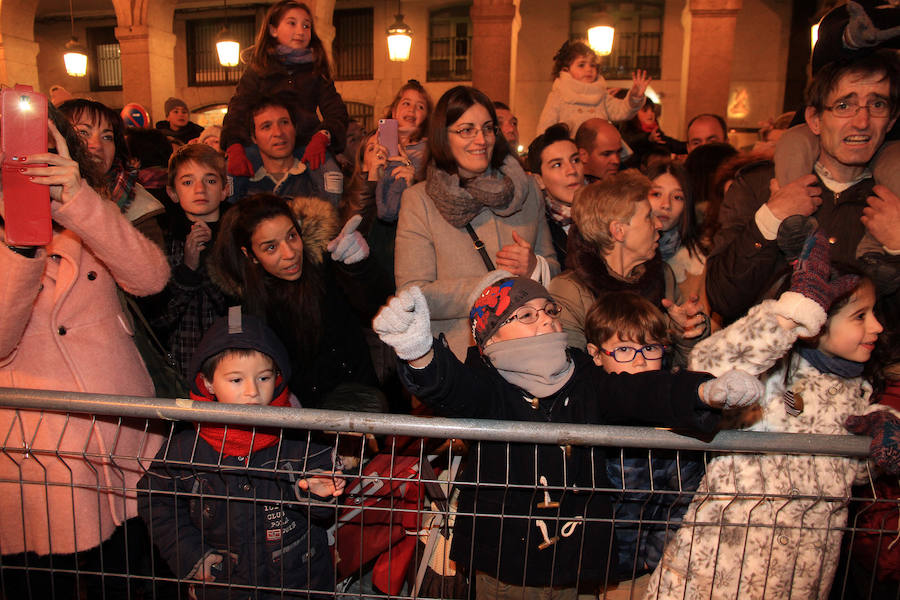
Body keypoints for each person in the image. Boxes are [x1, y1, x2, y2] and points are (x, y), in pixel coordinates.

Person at [372, 275, 763, 598]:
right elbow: (452, 389)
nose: (543, 319)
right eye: (524, 314)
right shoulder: (486, 382)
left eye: (547, 310)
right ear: (489, 336)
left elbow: (639, 391)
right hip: (507, 564)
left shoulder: (584, 376)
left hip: (579, 563)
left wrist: (701, 391)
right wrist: (419, 352)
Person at [647, 231, 885, 600]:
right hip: (720, 571)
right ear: (820, 322)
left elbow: (847, 476)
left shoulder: (856, 390)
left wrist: (877, 444)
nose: (877, 327)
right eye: (860, 316)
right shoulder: (772, 369)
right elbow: (709, 365)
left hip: (798, 578)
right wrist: (791, 315)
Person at [0, 107, 169, 598]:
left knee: (141, 578)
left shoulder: (85, 209)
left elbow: (150, 278)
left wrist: (77, 202)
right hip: (44, 456)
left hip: (125, 436)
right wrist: (23, 242)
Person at [139, 310, 344, 599]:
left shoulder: (301, 438)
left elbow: (326, 512)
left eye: (263, 377)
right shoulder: (186, 449)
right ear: (208, 384)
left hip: (298, 585)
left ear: (278, 378)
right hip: (224, 587)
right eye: (236, 380)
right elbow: (156, 500)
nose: (252, 392)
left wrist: (320, 492)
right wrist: (191, 555)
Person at [706, 50, 900, 324]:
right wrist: (771, 218)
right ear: (815, 119)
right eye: (844, 106)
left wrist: (897, 250)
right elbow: (723, 298)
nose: (862, 122)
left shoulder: (893, 203)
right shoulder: (757, 185)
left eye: (877, 105)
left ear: (891, 120)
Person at [394, 85, 560, 360]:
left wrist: (535, 267)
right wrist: (490, 288)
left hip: (534, 351)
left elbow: (554, 268)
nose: (481, 139)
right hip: (464, 359)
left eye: (487, 128)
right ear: (443, 137)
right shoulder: (419, 201)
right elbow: (413, 296)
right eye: (466, 130)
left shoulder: (527, 188)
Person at [210, 193, 391, 408]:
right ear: (249, 255)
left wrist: (359, 266)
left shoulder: (325, 262)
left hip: (359, 395)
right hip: (295, 415)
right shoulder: (239, 304)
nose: (289, 253)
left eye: (292, 236)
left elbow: (377, 306)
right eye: (271, 247)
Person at [583, 292, 704, 597]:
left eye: (649, 348)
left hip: (643, 572)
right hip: (584, 564)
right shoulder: (586, 407)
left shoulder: (673, 418)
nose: (639, 360)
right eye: (624, 349)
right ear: (596, 354)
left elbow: (680, 503)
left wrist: (655, 562)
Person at [548, 170, 708, 364]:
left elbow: (684, 366)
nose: (658, 224)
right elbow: (574, 370)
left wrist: (685, 334)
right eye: (649, 216)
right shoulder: (571, 290)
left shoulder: (663, 276)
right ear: (619, 231)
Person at [221, 0, 349, 172]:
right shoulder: (258, 69)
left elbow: (336, 111)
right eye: (292, 23)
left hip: (306, 142)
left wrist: (323, 136)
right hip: (264, 145)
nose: (300, 31)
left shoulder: (317, 70)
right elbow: (238, 108)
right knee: (233, 180)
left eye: (306, 26)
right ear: (273, 30)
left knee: (331, 177)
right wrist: (234, 144)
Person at [152, 143, 233, 379]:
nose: (200, 189)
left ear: (224, 189)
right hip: (180, 363)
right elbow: (160, 318)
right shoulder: (165, 239)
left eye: (210, 181)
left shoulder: (238, 235)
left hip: (229, 361)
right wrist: (187, 269)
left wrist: (210, 257)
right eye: (188, 182)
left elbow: (240, 309)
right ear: (173, 193)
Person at [342, 80, 433, 279]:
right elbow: (354, 219)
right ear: (393, 111)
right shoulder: (376, 142)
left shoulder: (431, 154)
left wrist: (413, 185)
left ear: (426, 117)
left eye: (420, 106)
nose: (412, 110)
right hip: (375, 251)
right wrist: (372, 174)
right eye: (406, 103)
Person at [58, 98, 166, 246]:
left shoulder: (140, 210)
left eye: (107, 137)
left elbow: (151, 269)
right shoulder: (31, 198)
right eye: (83, 132)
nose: (97, 145)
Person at [230, 96, 343, 206]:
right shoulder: (245, 187)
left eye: (284, 122)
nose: (278, 133)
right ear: (254, 137)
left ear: (295, 128)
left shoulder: (316, 180)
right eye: (267, 126)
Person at [535, 39, 650, 137]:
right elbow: (545, 128)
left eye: (592, 65)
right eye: (581, 65)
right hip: (571, 153)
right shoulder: (558, 95)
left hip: (599, 152)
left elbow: (622, 111)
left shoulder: (601, 94)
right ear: (566, 70)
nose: (589, 69)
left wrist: (635, 97)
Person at [641, 158, 711, 315]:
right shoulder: (623, 252)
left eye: (677, 197)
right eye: (656, 194)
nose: (666, 204)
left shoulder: (699, 264)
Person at [527, 123, 586, 266]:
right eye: (557, 165)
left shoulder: (610, 208)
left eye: (575, 160)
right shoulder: (535, 229)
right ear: (538, 180)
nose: (572, 170)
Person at [575, 117, 625, 183]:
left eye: (618, 152)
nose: (616, 161)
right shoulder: (570, 190)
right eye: (606, 154)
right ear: (583, 155)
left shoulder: (626, 184)